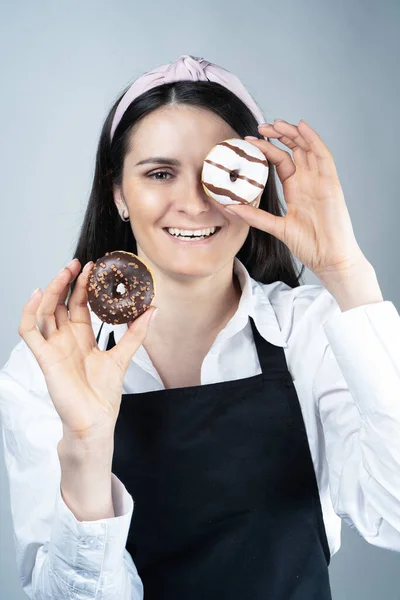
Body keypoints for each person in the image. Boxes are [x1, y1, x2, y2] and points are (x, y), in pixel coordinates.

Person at [1, 54, 400, 600]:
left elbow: (393, 518)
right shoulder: (50, 364)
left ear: (256, 189)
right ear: (118, 191)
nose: (193, 203)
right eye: (160, 173)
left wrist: (348, 274)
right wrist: (87, 448)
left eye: (226, 173)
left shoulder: (315, 331)